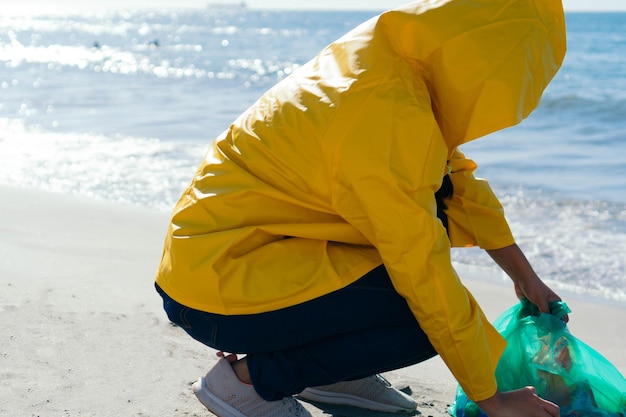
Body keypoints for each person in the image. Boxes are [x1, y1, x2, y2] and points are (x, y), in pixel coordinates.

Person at [155, 0, 568, 416]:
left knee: (418, 284)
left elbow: (454, 184)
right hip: (216, 289)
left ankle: (330, 372)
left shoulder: (389, 65)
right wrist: (491, 399)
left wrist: (524, 277)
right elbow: (423, 270)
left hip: (227, 259)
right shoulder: (385, 118)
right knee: (422, 316)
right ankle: (248, 383)